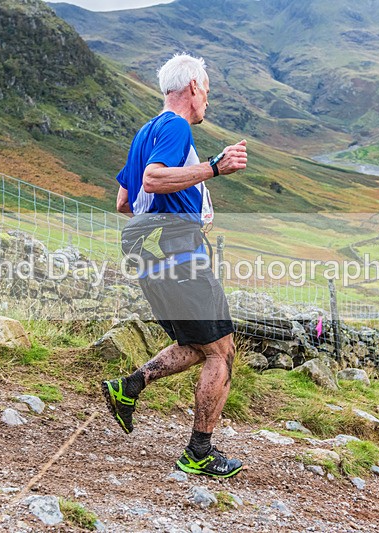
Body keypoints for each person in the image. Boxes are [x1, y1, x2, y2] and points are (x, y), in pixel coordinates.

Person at [101, 53, 248, 478]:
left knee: (198, 344)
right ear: (194, 88)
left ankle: (128, 388)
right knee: (222, 351)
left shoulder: (144, 132)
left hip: (150, 257)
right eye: (207, 92)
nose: (207, 102)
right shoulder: (176, 126)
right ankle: (199, 451)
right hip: (180, 253)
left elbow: (123, 201)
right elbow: (152, 180)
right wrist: (216, 168)